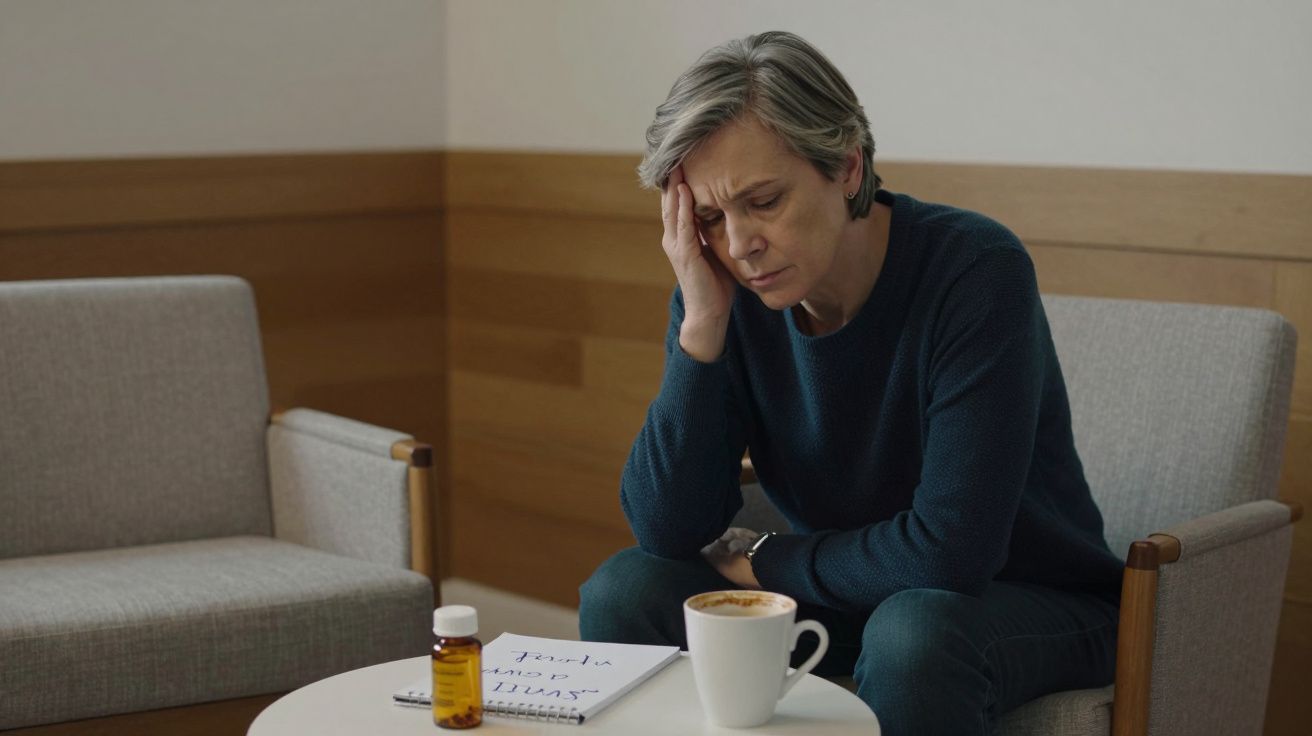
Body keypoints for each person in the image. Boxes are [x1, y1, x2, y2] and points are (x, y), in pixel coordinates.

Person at [578, 31, 1122, 735]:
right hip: (856, 597)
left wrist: (768, 559)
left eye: (763, 201)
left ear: (847, 167)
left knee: (913, 633)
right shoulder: (723, 289)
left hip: (1020, 601)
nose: (740, 244)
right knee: (626, 590)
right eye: (710, 218)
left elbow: (952, 550)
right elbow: (665, 528)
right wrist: (701, 333)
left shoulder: (976, 271)